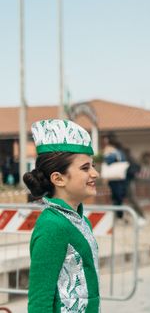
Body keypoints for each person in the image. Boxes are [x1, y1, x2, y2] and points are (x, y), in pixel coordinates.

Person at [23, 119, 101, 313]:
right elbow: (39, 301)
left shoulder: (80, 219)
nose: (95, 173)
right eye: (85, 168)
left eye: (93, 166)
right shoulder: (52, 226)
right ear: (58, 178)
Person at [101, 135, 128, 218]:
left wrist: (106, 154)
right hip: (116, 178)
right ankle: (119, 215)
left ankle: (119, 216)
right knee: (117, 198)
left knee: (117, 197)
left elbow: (108, 160)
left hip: (116, 179)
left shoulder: (114, 152)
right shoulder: (120, 152)